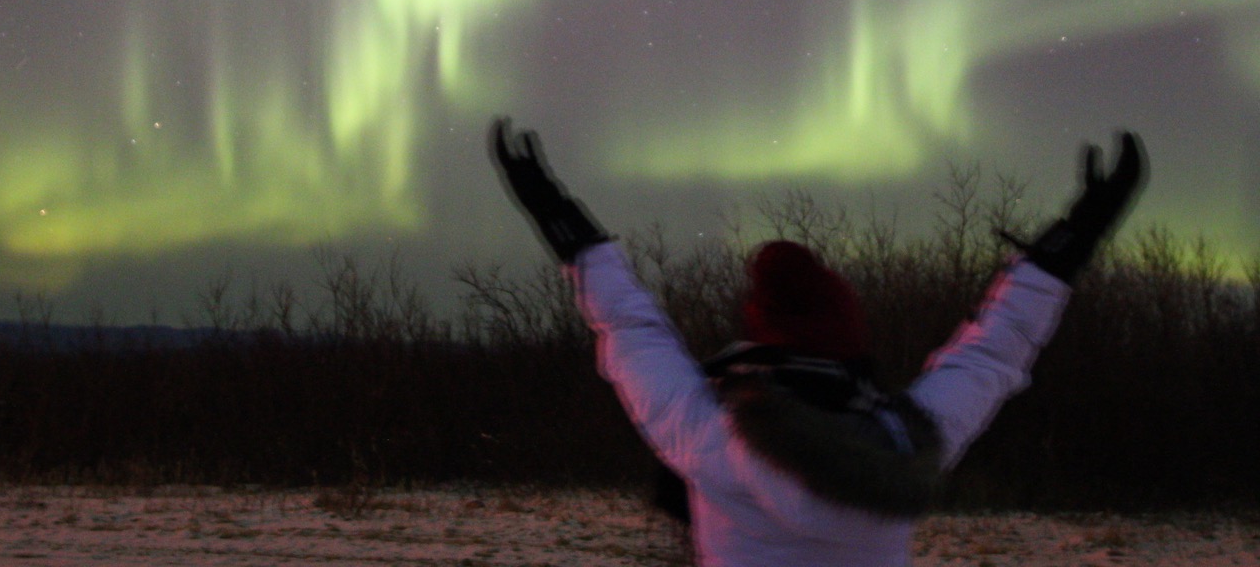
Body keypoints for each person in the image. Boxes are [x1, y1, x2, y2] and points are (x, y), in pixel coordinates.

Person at [491, 118, 1146, 567]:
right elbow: (994, 350)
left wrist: (558, 216)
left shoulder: (709, 436)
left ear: (761, 343)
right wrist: (1076, 235)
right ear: (850, 348)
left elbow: (629, 324)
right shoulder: (905, 444)